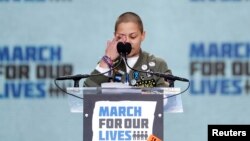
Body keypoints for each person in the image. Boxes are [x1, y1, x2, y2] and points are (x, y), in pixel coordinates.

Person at [84, 12, 172, 87]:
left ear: (143, 35)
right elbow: (86, 96)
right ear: (115, 36)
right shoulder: (107, 64)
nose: (127, 41)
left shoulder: (158, 65)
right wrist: (107, 59)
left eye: (133, 36)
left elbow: (167, 100)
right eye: (121, 37)